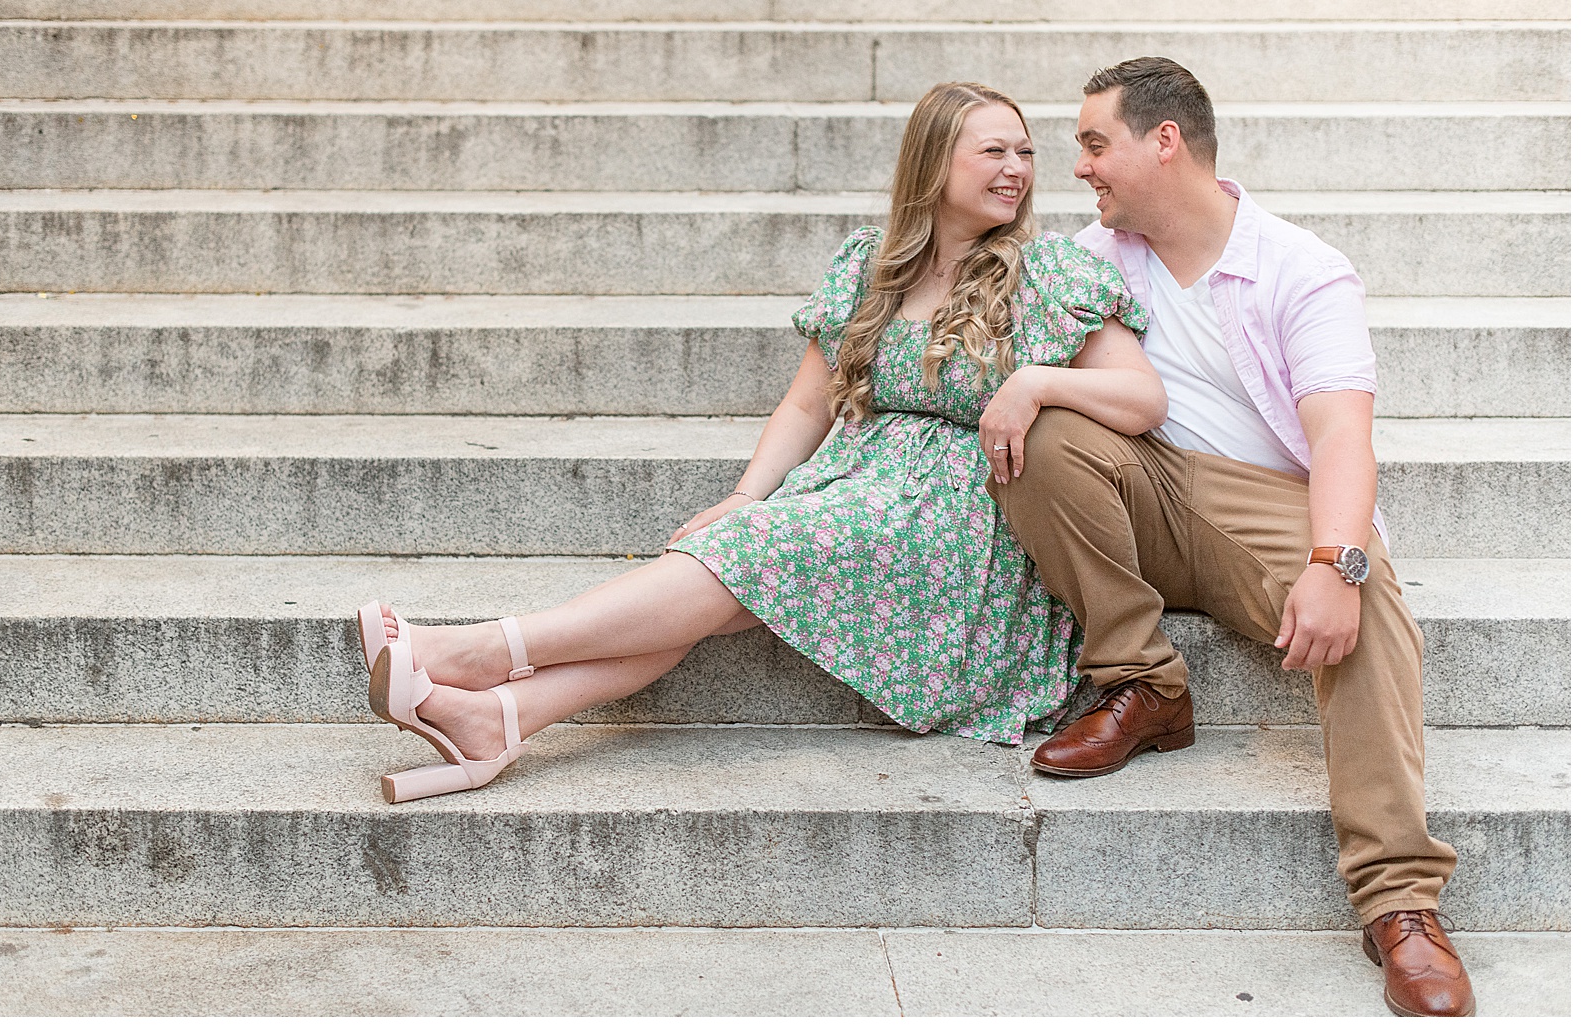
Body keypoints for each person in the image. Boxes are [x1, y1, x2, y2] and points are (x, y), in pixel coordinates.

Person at [355, 80, 1164, 806]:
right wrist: (747, 492)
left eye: (1025, 150)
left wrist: (1035, 384)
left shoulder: (1048, 273)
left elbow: (1142, 397)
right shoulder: (869, 268)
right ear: (932, 165)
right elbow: (808, 405)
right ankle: (497, 720)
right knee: (722, 555)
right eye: (993, 149)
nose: (1017, 167)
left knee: (741, 556)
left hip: (960, 522)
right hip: (859, 488)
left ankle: (475, 652)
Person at [989, 57, 1473, 1018]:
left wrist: (1337, 561)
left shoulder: (1301, 268)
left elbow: (1342, 436)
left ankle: (1400, 904)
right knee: (1040, 437)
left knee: (1369, 605)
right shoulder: (1089, 260)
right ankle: (1145, 682)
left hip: (1268, 505)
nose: (1080, 167)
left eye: (1095, 144)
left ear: (1163, 142)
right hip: (1149, 490)